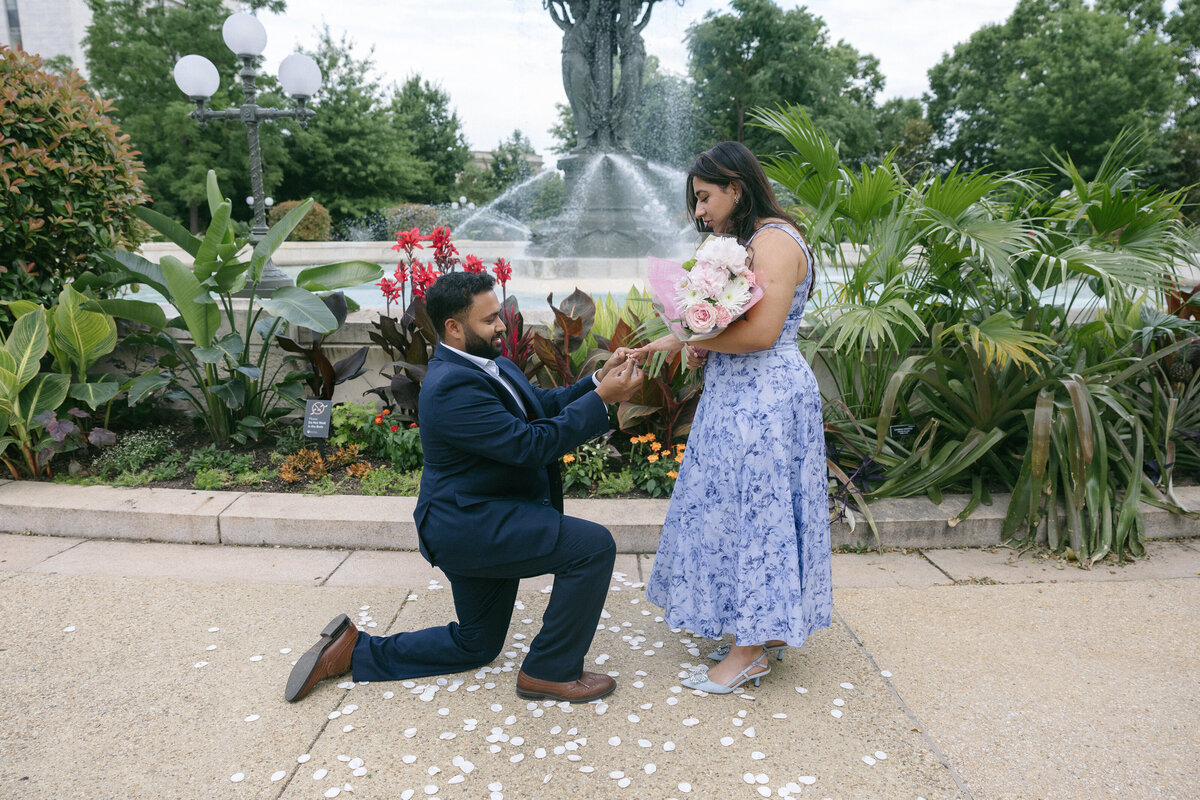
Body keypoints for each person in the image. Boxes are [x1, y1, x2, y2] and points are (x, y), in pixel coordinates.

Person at [286, 271, 643, 704]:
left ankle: (352, 652)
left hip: (480, 515)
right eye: (489, 319)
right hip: (470, 526)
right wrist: (604, 400)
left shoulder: (490, 363)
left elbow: (541, 407)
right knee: (592, 546)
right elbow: (529, 445)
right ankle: (550, 671)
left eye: (499, 316)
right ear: (453, 327)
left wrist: (593, 382)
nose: (502, 326)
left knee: (477, 643)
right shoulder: (451, 387)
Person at [631, 141, 832, 694]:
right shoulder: (753, 241)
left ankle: (748, 654)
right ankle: (757, 632)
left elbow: (763, 333)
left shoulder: (772, 240)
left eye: (704, 197)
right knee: (740, 509)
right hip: (743, 395)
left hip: (765, 399)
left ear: (736, 188)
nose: (699, 212)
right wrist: (691, 339)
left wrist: (697, 335)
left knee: (756, 513)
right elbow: (732, 329)